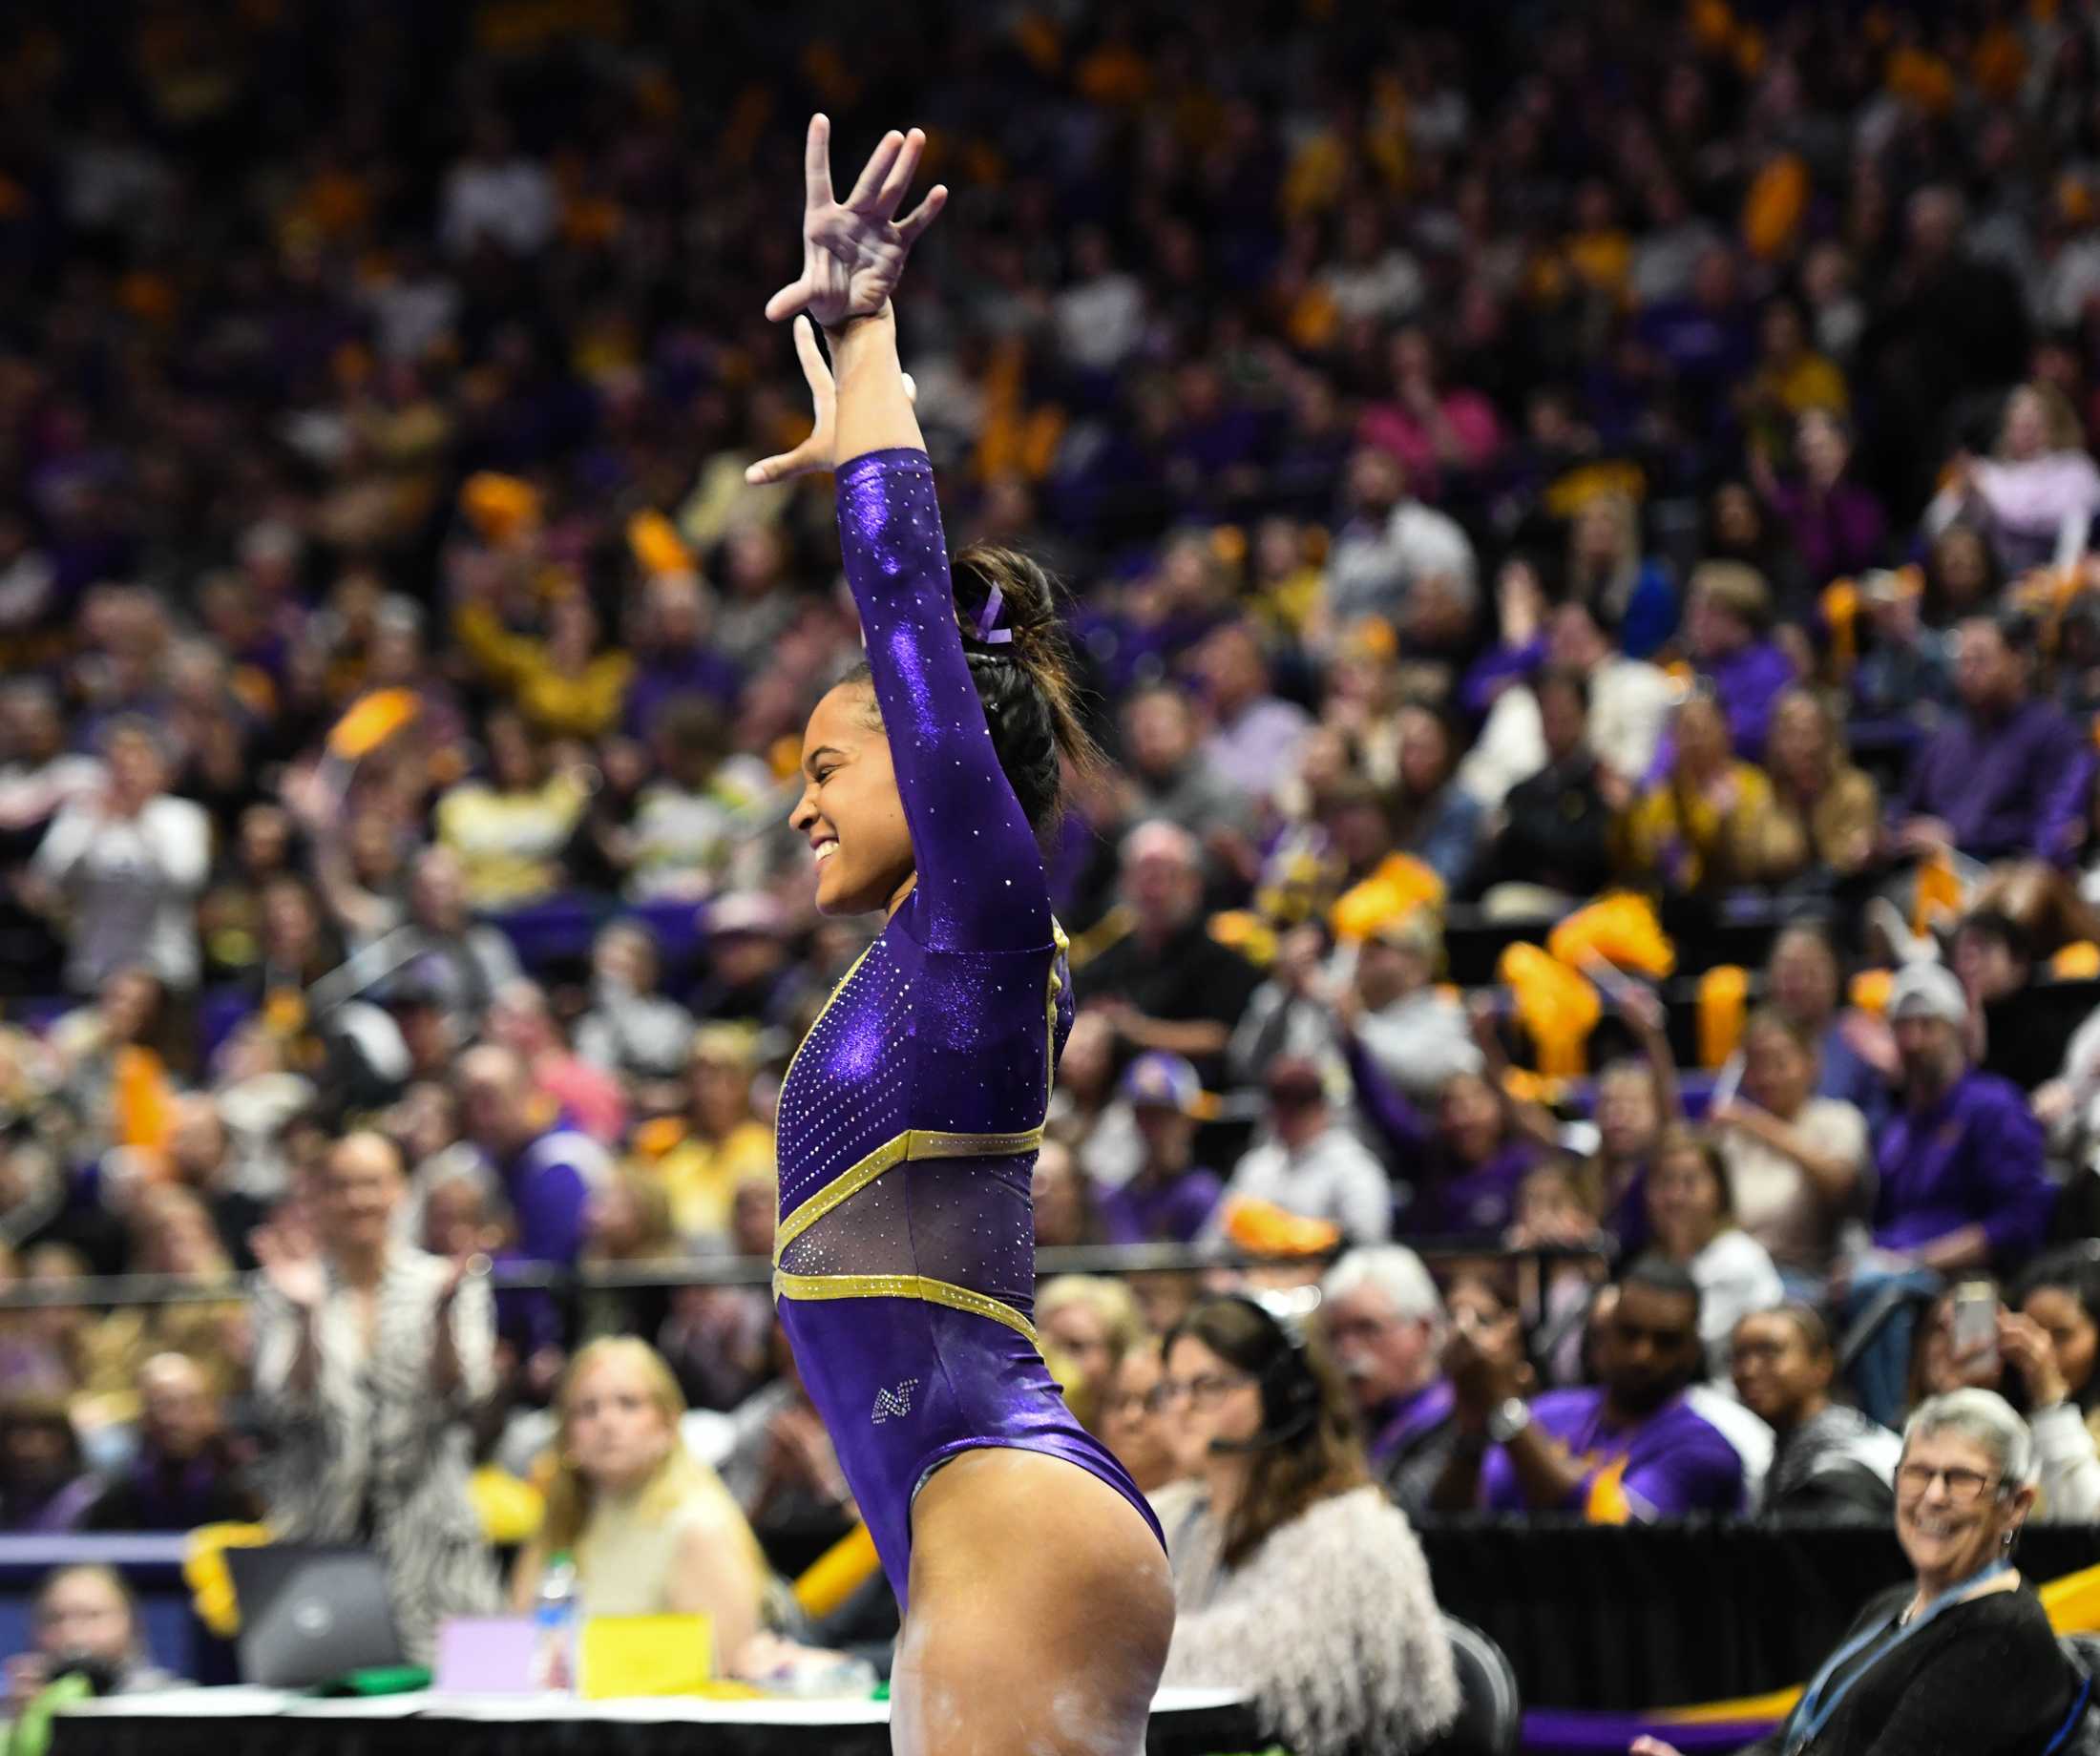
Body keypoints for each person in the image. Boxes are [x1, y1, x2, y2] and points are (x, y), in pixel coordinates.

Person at [748, 117, 1171, 1754]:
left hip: (1009, 1504)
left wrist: (867, 342)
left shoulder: (992, 921)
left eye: (829, 767)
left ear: (940, 771)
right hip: (962, 1516)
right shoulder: (928, 954)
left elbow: (908, 605)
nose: (801, 810)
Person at [1634, 1390, 2077, 1756]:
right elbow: (1788, 1742)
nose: (1934, 1497)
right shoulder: (1891, 1604)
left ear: (2015, 1505)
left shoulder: (2003, 1631)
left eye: (1961, 1478)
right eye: (1918, 1473)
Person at [1150, 1294, 1460, 1756]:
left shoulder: (1353, 1530)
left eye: (1208, 1385)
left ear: (1283, 1395)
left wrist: (1132, 1652)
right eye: (1171, 1388)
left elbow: (1284, 1670)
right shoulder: (1168, 1515)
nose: (1183, 1407)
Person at [248, 1130, 499, 1662]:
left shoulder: (445, 1280)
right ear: (319, 1198)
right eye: (340, 1186)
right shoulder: (285, 1285)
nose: (358, 1199)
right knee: (324, 1715)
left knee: (479, 1706)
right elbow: (285, 1406)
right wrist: (309, 1315)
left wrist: (443, 1314)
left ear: (400, 1191)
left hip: (438, 1535)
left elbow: (464, 1395)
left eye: (372, 1183)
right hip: (323, 1540)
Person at [511, 1339, 769, 1672]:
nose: (607, 1422)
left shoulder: (699, 1528)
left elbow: (728, 1671)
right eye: (587, 1409)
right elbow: (519, 1655)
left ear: (669, 1424)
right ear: (567, 1437)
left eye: (629, 1404)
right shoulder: (556, 1527)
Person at [1438, 1259, 1759, 1519]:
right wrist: (1473, 1433)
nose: (1642, 1354)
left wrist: (1504, 1409)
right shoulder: (1549, 1414)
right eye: (1629, 1334)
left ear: (1692, 1351)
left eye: (1666, 1341)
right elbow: (1456, 1517)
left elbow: (1616, 1528)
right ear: (1603, 1334)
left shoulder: (1705, 1450)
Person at [26, 719, 210, 996]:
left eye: (137, 766)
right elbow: (46, 882)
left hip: (166, 970)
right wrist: (91, 830)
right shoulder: (83, 815)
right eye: (119, 767)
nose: (127, 777)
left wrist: (141, 823)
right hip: (95, 969)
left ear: (159, 771)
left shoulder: (181, 817)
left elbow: (186, 879)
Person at [1888, 615, 2090, 868]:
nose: (1969, 671)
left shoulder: (2051, 733)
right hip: (1931, 873)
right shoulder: (1946, 737)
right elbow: (1906, 808)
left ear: (2019, 662)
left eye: (1981, 660)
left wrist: (1956, 837)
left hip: (2005, 875)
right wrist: (1882, 838)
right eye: (1963, 662)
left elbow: (2051, 827)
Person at [1709, 1008, 1869, 1286]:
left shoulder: (1837, 1119)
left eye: (1780, 1063)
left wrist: (1756, 1123)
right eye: (1757, 1065)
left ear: (1811, 1063)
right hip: (1726, 1270)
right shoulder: (1732, 1135)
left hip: (1798, 1274)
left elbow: (1839, 1183)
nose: (1768, 1076)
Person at [1319, 1246, 1457, 1521]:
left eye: (1367, 1328)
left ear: (1424, 1329)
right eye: (1335, 1334)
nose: (1347, 1350)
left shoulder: (1456, 1417)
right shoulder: (1337, 1417)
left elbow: (1410, 1510)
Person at [1731, 1305, 1898, 1521]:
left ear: (1822, 1366)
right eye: (1739, 1356)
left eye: (1770, 1352)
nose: (1749, 1370)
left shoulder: (1841, 1467)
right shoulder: (1792, 1448)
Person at [1643, 1126, 1784, 1381]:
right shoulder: (1653, 1259)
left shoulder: (1738, 1258)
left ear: (1719, 1192)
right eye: (1664, 1182)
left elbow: (1682, 1350)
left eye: (1690, 1182)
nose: (1675, 1196)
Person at [1211, 1055, 1393, 1244]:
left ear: (1321, 1106)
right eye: (1280, 1102)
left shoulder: (1353, 1166)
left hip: (1328, 1268)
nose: (1288, 1114)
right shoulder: (1256, 1166)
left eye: (1300, 1103)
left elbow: (1368, 1241)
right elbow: (1214, 1244)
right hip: (1255, 1269)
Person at [82, 1352, 260, 1531]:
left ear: (212, 1410)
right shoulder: (119, 1487)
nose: (178, 1419)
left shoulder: (245, 1480)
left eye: (193, 1404)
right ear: (145, 1414)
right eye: (165, 1405)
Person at [4, 1565, 177, 1737]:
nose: (73, 1633)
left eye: (92, 1615)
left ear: (132, 1623)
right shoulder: (14, 1712)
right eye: (54, 1618)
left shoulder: (176, 1704)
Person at [1089, 1053, 1225, 1245]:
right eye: (1141, 1113)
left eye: (1162, 1114)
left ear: (1188, 1121)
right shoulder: (1111, 1195)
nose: (1149, 1128)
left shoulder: (1202, 1193)